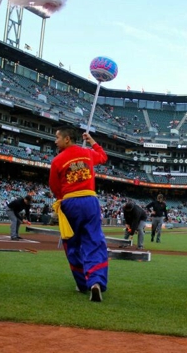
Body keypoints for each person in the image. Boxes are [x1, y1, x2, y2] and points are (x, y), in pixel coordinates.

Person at [49, 126, 108, 302]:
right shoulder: (87, 153)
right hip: (90, 201)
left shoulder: (58, 160)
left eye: (57, 137)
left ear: (67, 139)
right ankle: (95, 281)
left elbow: (54, 186)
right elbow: (103, 157)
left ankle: (82, 283)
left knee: (72, 243)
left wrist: (63, 199)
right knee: (94, 241)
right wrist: (92, 142)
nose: (55, 141)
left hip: (70, 203)